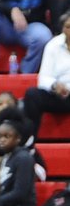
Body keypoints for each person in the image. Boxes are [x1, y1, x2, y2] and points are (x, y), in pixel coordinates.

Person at [22, 11, 70, 139]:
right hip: (60, 95)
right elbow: (43, 78)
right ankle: (30, 142)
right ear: (63, 28)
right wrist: (55, 86)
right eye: (68, 26)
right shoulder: (53, 45)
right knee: (32, 94)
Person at [0, 117, 38, 206]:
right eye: (0, 136)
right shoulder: (6, 157)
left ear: (18, 139)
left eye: (7, 136)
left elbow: (20, 193)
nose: (2, 140)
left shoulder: (23, 158)